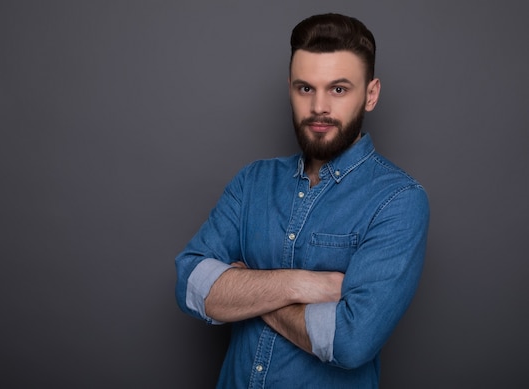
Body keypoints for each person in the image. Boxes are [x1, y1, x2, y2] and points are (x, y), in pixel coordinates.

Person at [175, 13, 429, 388]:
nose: (318, 108)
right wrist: (301, 285)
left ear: (370, 94)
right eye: (305, 88)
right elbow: (190, 285)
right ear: (290, 89)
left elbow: (348, 341)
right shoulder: (252, 182)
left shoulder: (398, 200)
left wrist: (247, 288)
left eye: (339, 89)